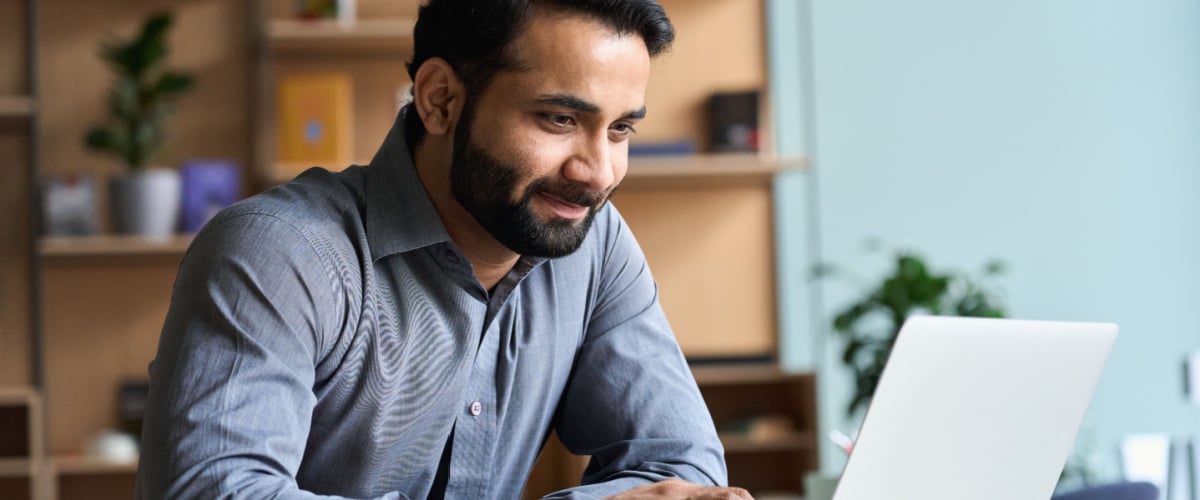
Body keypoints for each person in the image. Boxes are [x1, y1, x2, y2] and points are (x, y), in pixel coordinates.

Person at [136, 0, 752, 498]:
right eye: (560, 119)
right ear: (439, 100)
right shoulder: (279, 252)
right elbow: (216, 492)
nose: (598, 172)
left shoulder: (596, 243)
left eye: (620, 129)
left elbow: (684, 469)